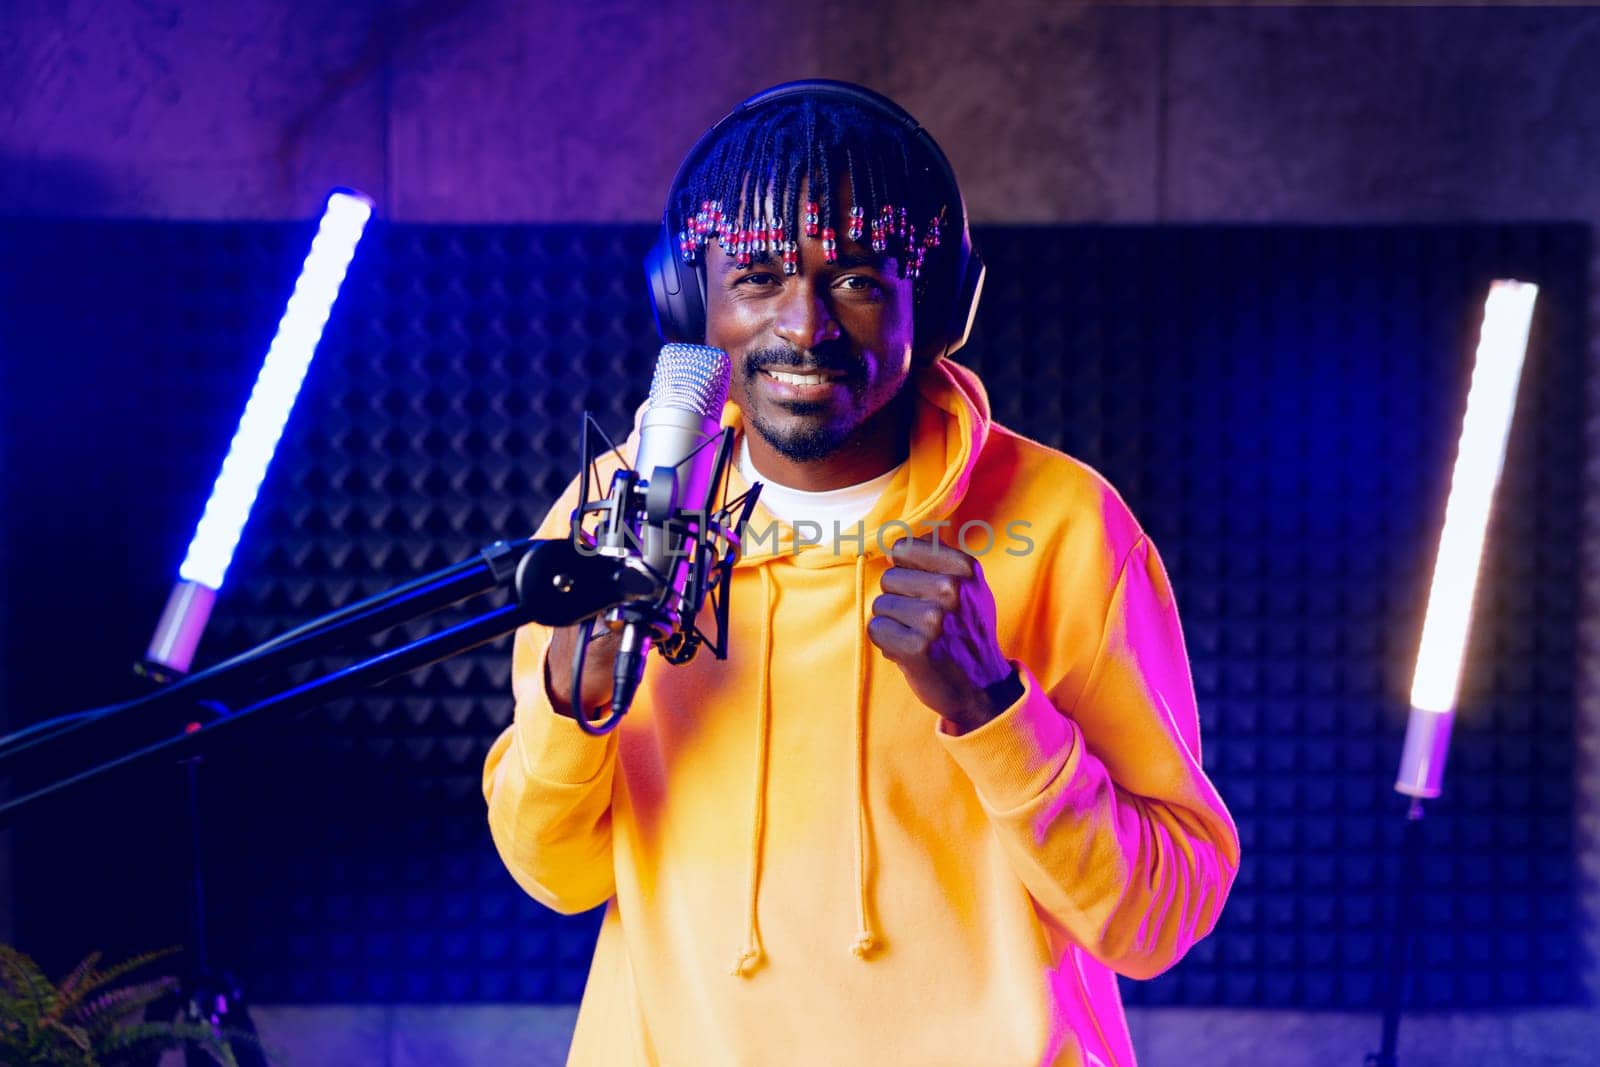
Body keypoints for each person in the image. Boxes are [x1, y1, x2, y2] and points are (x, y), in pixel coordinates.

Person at [483, 80, 1238, 1066]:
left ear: (936, 305)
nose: (805, 326)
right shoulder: (622, 511)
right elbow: (558, 871)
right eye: (755, 275)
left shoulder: (1061, 527)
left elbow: (1160, 913)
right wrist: (569, 708)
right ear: (686, 294)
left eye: (858, 279)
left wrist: (994, 709)